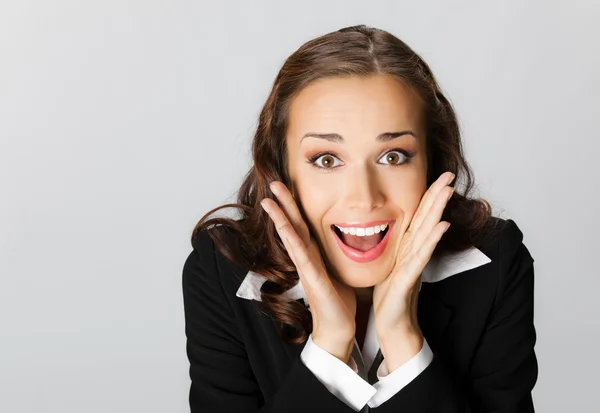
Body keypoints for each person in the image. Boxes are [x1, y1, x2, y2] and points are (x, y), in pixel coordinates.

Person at [182, 24, 537, 412]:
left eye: (393, 157)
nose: (364, 198)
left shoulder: (496, 264)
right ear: (282, 173)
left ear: (431, 166)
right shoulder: (221, 269)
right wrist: (328, 350)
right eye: (326, 160)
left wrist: (404, 341)